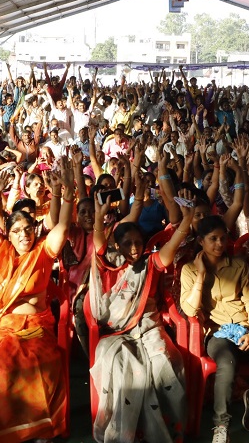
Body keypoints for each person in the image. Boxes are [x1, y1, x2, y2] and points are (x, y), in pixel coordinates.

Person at [0, 155, 76, 443]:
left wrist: (66, 195)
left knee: (40, 361)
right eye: (16, 231)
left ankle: (39, 429)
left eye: (28, 230)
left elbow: (62, 228)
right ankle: (3, 431)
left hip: (37, 328)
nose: (23, 235)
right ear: (8, 234)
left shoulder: (43, 253)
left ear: (35, 231)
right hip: (4, 328)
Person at [87, 189, 190, 443]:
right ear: (116, 245)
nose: (133, 248)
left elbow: (173, 243)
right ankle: (128, 434)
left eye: (138, 242)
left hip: (148, 329)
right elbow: (98, 239)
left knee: (162, 362)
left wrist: (187, 220)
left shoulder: (150, 262)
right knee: (126, 371)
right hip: (115, 335)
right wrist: (100, 217)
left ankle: (166, 428)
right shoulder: (108, 263)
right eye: (126, 244)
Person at [180, 214, 249, 441]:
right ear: (201, 242)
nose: (219, 244)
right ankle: (221, 427)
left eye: (223, 238)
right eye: (213, 239)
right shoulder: (189, 269)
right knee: (226, 365)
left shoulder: (238, 265)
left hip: (246, 326)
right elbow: (189, 310)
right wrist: (200, 275)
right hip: (217, 330)